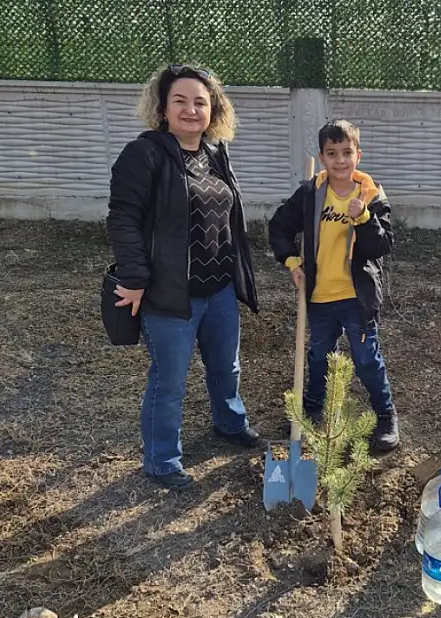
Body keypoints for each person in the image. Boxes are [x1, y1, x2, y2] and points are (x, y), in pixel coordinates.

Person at [106, 63, 260, 491]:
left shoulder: (215, 154)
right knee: (170, 380)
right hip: (170, 295)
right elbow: (123, 219)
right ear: (163, 107)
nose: (191, 110)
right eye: (181, 101)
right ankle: (161, 461)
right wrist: (134, 278)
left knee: (226, 368)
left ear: (213, 109)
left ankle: (229, 424)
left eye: (201, 102)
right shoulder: (145, 154)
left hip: (220, 289)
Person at [267, 120, 399, 452]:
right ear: (322, 157)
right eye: (332, 154)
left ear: (358, 154)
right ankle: (312, 409)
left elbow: (381, 247)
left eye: (346, 153)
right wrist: (292, 262)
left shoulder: (370, 195)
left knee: (366, 359)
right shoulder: (311, 194)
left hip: (357, 297)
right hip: (320, 297)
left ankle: (385, 417)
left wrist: (364, 219)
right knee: (319, 356)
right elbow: (279, 227)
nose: (340, 161)